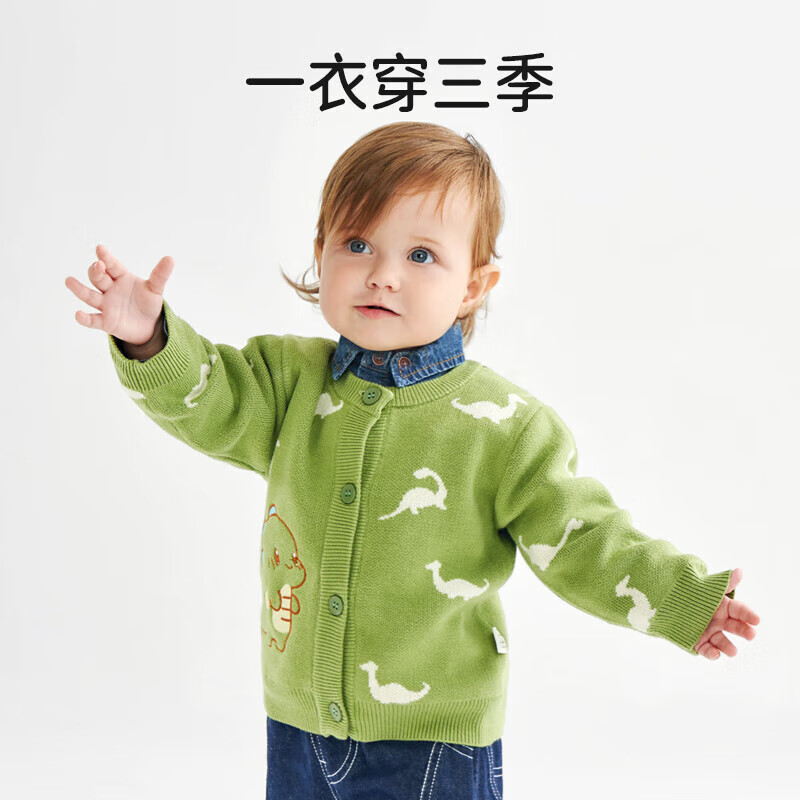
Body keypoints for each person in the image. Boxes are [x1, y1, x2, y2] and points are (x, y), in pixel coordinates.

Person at [64, 121, 760, 800]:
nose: (382, 276)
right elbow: (211, 397)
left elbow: (583, 539)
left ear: (474, 285)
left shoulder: (506, 427)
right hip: (298, 726)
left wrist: (681, 599)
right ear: (321, 254)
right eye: (357, 244)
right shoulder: (286, 381)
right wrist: (149, 337)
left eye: (421, 256)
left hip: (435, 744)